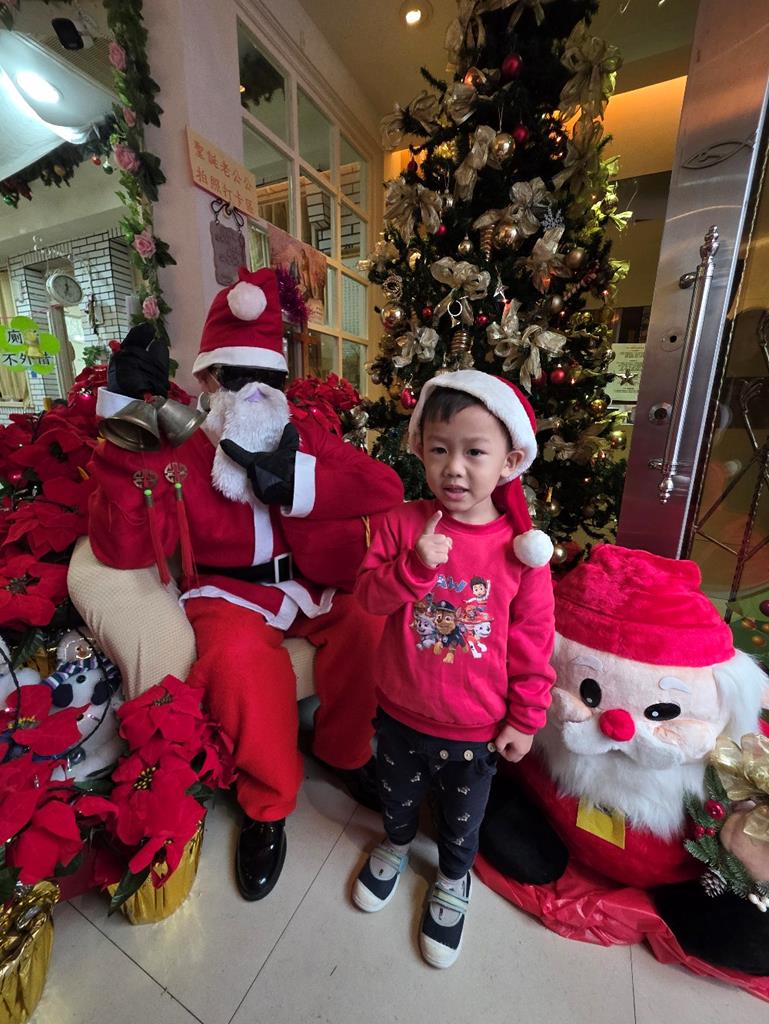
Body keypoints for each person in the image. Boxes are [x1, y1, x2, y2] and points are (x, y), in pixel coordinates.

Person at [85, 267, 404, 901]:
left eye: (270, 379)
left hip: (310, 586)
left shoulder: (303, 435)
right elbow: (121, 545)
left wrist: (298, 480)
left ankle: (345, 752)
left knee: (367, 620)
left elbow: (385, 487)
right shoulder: (181, 450)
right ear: (207, 380)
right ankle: (268, 805)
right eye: (236, 377)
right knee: (237, 663)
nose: (255, 393)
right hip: (229, 593)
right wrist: (125, 426)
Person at [352, 370, 556, 969]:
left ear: (510, 461)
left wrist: (527, 717)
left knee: (463, 822)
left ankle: (452, 878)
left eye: (474, 452)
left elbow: (534, 641)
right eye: (440, 450)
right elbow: (367, 599)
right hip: (400, 712)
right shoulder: (401, 524)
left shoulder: (522, 550)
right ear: (420, 449)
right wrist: (413, 568)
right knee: (396, 799)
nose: (454, 469)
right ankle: (394, 845)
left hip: (475, 729)